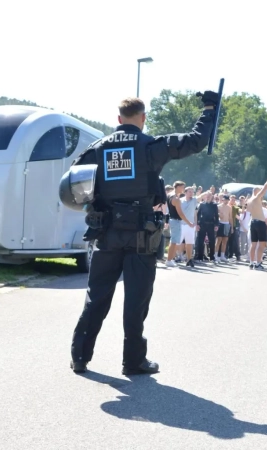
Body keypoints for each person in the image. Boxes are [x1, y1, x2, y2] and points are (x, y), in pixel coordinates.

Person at [69, 91, 218, 375]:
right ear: (143, 119)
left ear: (118, 119)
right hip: (141, 235)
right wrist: (209, 109)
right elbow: (195, 141)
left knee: (96, 296)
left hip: (106, 234)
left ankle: (80, 356)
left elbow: (74, 183)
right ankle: (133, 360)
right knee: (136, 301)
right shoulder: (152, 146)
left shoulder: (97, 148)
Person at [246, 171, 267, 270]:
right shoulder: (256, 198)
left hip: (253, 222)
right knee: (261, 245)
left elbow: (248, 211)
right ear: (257, 192)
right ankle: (258, 263)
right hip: (260, 223)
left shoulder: (249, 201)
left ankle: (251, 262)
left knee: (253, 244)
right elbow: (265, 187)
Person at [166, 181, 189, 267]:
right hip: (176, 220)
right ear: (178, 187)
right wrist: (189, 222)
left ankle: (170, 258)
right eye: (182, 187)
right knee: (174, 241)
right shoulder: (175, 198)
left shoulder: (170, 195)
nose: (183, 189)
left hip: (172, 220)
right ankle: (169, 260)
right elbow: (181, 213)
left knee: (173, 241)